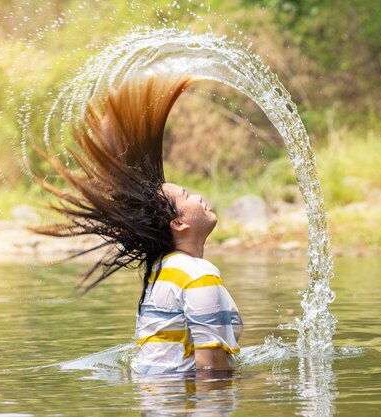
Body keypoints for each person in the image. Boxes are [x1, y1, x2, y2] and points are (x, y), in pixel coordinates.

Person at [34, 75, 242, 375]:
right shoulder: (198, 275)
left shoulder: (161, 272)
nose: (197, 196)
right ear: (179, 222)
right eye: (186, 195)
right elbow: (210, 372)